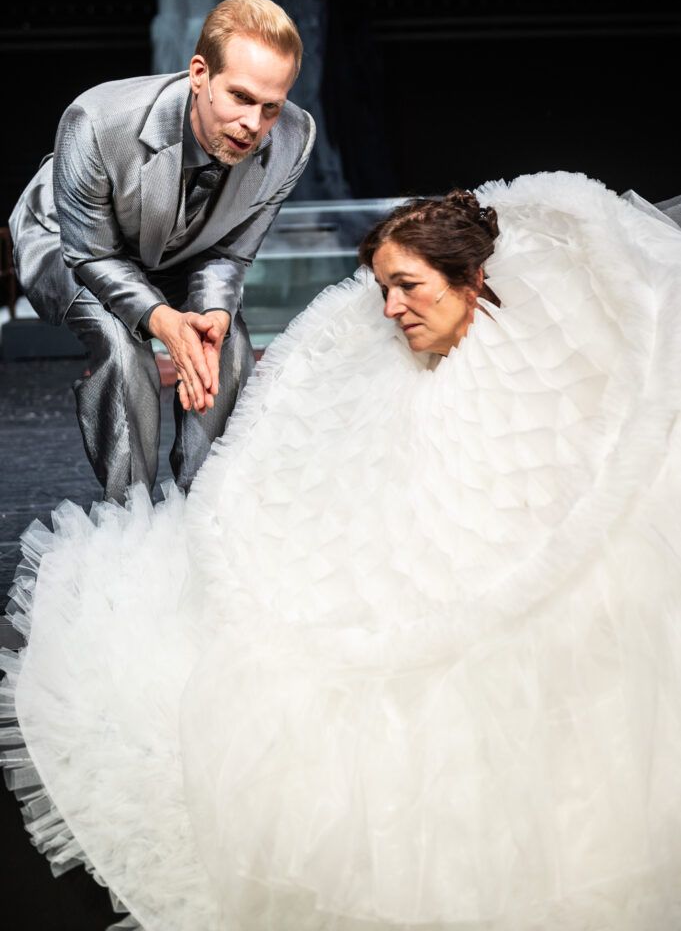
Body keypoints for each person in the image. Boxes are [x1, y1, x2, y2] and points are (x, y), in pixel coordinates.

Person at [2, 169, 681, 931]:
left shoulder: (544, 372)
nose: (390, 308)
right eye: (383, 289)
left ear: (470, 279)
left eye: (408, 286)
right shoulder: (390, 369)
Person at [9, 0, 316, 502]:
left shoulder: (293, 138)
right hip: (69, 240)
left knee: (228, 344)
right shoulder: (97, 120)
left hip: (178, 247)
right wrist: (161, 319)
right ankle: (129, 514)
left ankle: (202, 503)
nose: (254, 125)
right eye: (240, 97)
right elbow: (91, 254)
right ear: (199, 74)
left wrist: (212, 315)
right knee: (123, 347)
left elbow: (231, 251)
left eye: (271, 107)